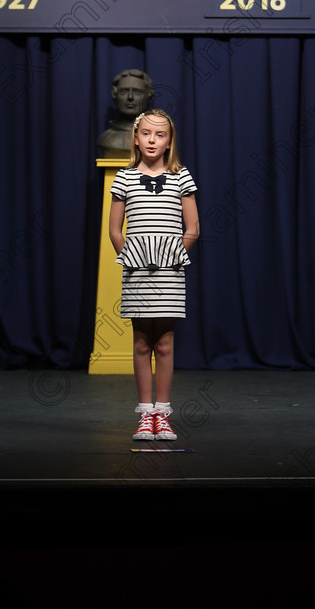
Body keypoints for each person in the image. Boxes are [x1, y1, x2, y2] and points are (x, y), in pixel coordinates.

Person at [109, 109, 199, 440]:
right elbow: (115, 230)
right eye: (146, 133)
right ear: (136, 138)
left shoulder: (181, 177)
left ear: (169, 141)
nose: (152, 139)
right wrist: (132, 258)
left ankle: (163, 415)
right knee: (141, 341)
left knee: (165, 342)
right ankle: (145, 416)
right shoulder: (124, 177)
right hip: (137, 271)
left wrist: (172, 257)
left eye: (160, 135)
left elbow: (192, 228)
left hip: (169, 271)